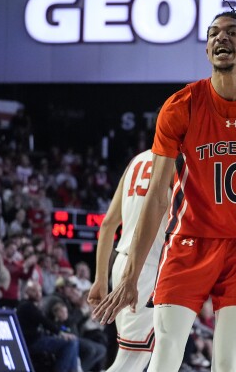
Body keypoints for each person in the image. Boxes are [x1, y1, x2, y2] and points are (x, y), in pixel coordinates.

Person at [92, 1, 236, 372]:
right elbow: (157, 198)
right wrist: (129, 278)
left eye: (232, 32)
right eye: (213, 34)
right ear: (207, 50)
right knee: (165, 356)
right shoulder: (181, 105)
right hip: (188, 244)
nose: (221, 37)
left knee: (227, 362)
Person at [87, 149, 171, 371]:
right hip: (146, 266)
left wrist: (100, 279)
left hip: (122, 264)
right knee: (132, 359)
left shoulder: (136, 161)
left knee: (148, 353)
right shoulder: (176, 161)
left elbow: (108, 224)